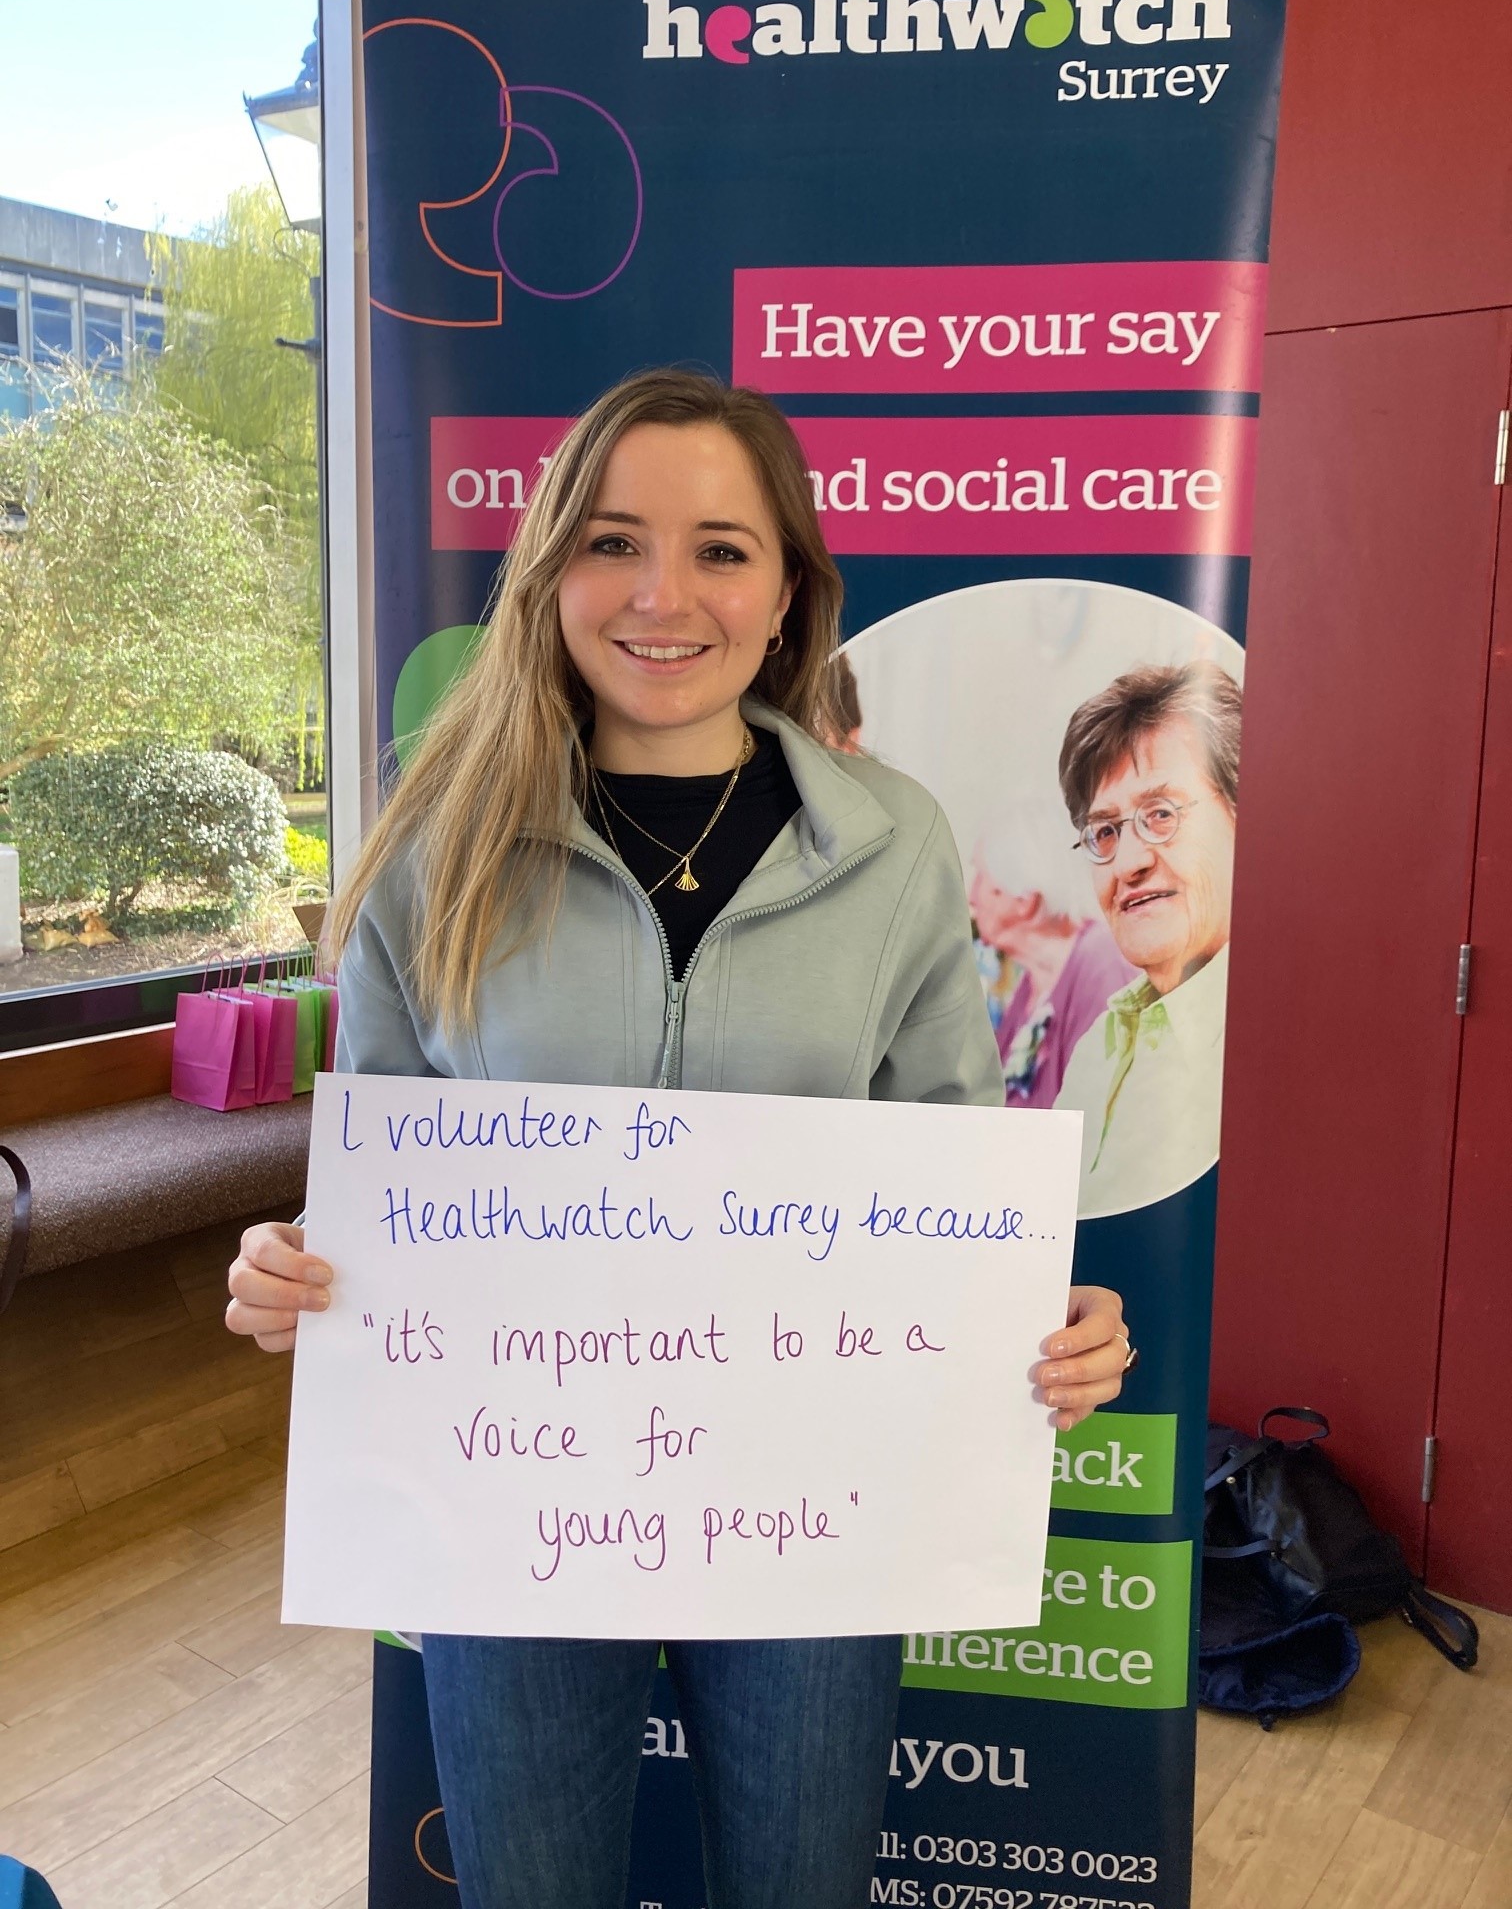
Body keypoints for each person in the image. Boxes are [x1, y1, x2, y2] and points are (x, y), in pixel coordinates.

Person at [224, 370, 1133, 1909]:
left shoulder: (894, 837)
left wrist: (1034, 1316)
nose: (664, 594)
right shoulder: (434, 836)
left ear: (787, 592)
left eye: (721, 548)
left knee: (801, 1884)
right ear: (549, 572)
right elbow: (377, 1176)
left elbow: (949, 1155)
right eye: (612, 542)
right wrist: (294, 1276)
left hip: (817, 1495)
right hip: (511, 1501)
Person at [1053, 660, 1242, 1217]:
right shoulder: (1097, 1046)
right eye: (1105, 831)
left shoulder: (1285, 1042)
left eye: (1161, 814)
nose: (1131, 862)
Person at [969, 799, 1137, 1107]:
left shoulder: (1101, 968)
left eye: (981, 877)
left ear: (1024, 901)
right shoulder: (1032, 983)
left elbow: (1094, 1115)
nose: (971, 897)